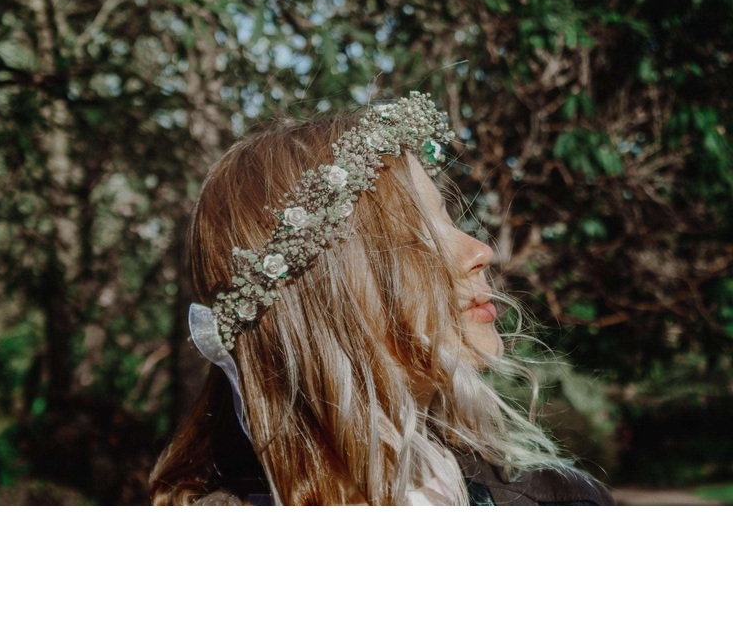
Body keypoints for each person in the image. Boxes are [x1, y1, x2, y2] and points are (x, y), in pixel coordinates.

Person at [150, 92, 613, 506]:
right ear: (327, 294)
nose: (480, 251)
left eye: (450, 220)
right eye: (420, 236)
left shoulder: (557, 501)